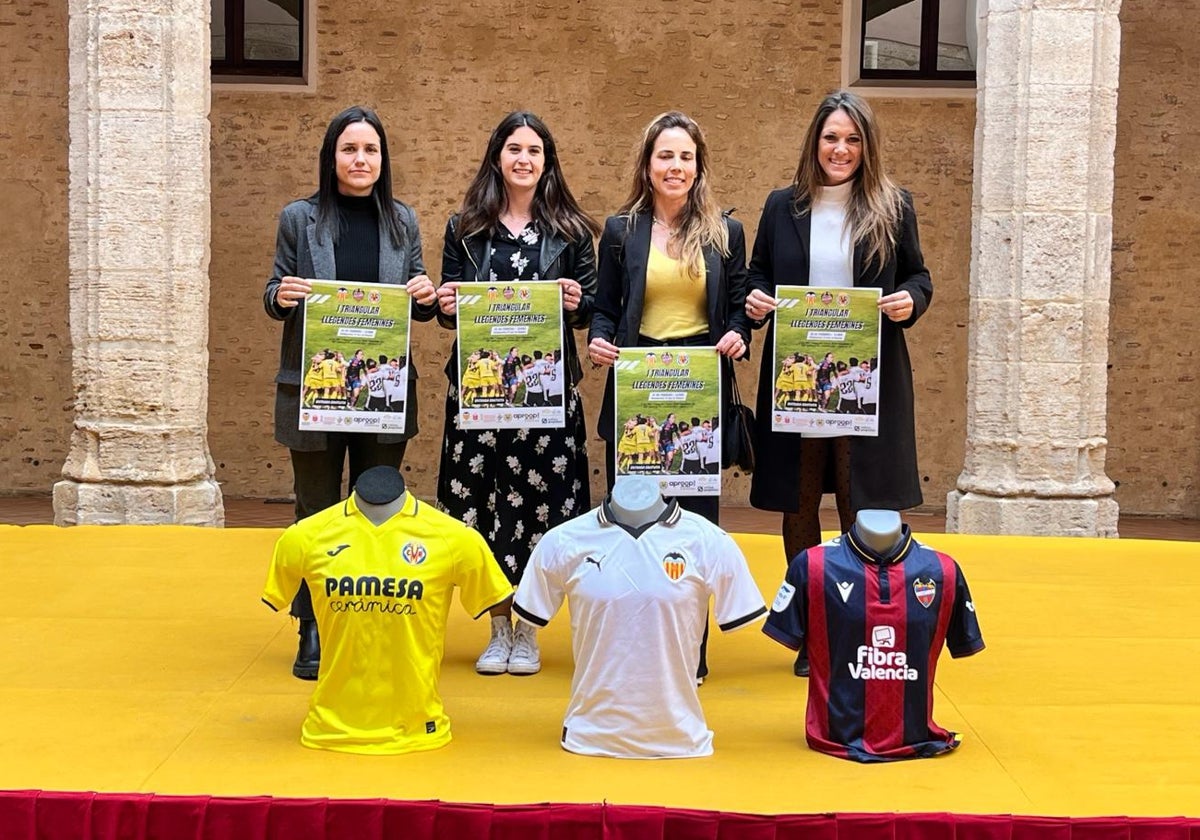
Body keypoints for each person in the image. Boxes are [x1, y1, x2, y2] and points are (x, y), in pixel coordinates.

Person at [744, 90, 933, 676]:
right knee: (800, 502)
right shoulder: (783, 206)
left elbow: (918, 275)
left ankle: (861, 625)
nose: (841, 149)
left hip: (865, 381)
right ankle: (812, 627)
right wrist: (753, 300)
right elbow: (757, 273)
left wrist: (912, 300)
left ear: (867, 145)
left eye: (852, 138)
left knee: (862, 500)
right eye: (831, 137)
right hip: (797, 379)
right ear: (815, 142)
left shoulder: (893, 205)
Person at [263, 104, 439, 679]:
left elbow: (420, 304)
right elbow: (272, 292)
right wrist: (281, 295)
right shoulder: (299, 217)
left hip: (382, 392)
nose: (360, 159)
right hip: (316, 392)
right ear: (332, 157)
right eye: (349, 149)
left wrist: (424, 293)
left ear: (382, 160)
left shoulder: (403, 222)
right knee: (315, 511)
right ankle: (311, 625)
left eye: (370, 150)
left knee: (380, 506)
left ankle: (376, 618)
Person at [433, 110, 599, 677]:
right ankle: (497, 625)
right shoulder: (464, 229)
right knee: (480, 507)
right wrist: (445, 305)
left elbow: (593, 312)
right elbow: (446, 311)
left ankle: (528, 628)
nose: (523, 159)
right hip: (479, 396)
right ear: (497, 158)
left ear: (547, 161)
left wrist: (579, 304)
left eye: (534, 150)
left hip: (546, 399)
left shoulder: (573, 233)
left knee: (543, 509)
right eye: (513, 149)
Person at [261, 466, 514, 754]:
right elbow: (277, 595)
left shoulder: (455, 538)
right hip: (327, 730)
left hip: (419, 731)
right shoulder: (304, 536)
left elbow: (494, 595)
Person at [513, 476, 766, 759]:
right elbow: (533, 610)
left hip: (682, 740)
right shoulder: (562, 540)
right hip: (587, 737)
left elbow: (739, 613)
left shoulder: (709, 540)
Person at [587, 110, 751, 526]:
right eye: (664, 157)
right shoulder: (620, 230)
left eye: (685, 157)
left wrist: (738, 333)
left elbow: (737, 309)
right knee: (632, 510)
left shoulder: (725, 232)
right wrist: (598, 339)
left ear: (698, 168)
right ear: (647, 166)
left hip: (698, 381)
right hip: (637, 378)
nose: (675, 167)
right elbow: (604, 308)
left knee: (694, 516)